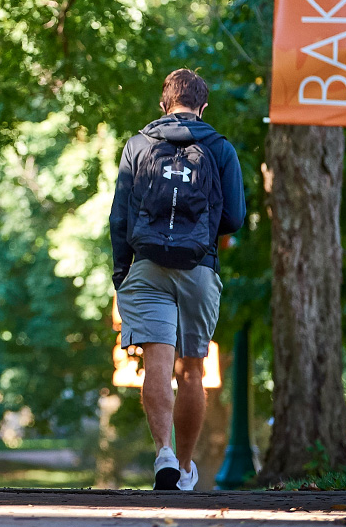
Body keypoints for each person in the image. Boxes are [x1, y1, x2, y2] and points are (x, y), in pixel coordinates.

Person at [109, 69, 245, 491]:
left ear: (163, 104)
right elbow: (235, 217)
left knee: (157, 363)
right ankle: (185, 470)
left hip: (147, 266)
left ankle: (163, 452)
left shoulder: (137, 145)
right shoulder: (220, 149)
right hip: (199, 268)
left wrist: (121, 273)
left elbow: (119, 217)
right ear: (203, 107)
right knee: (192, 370)